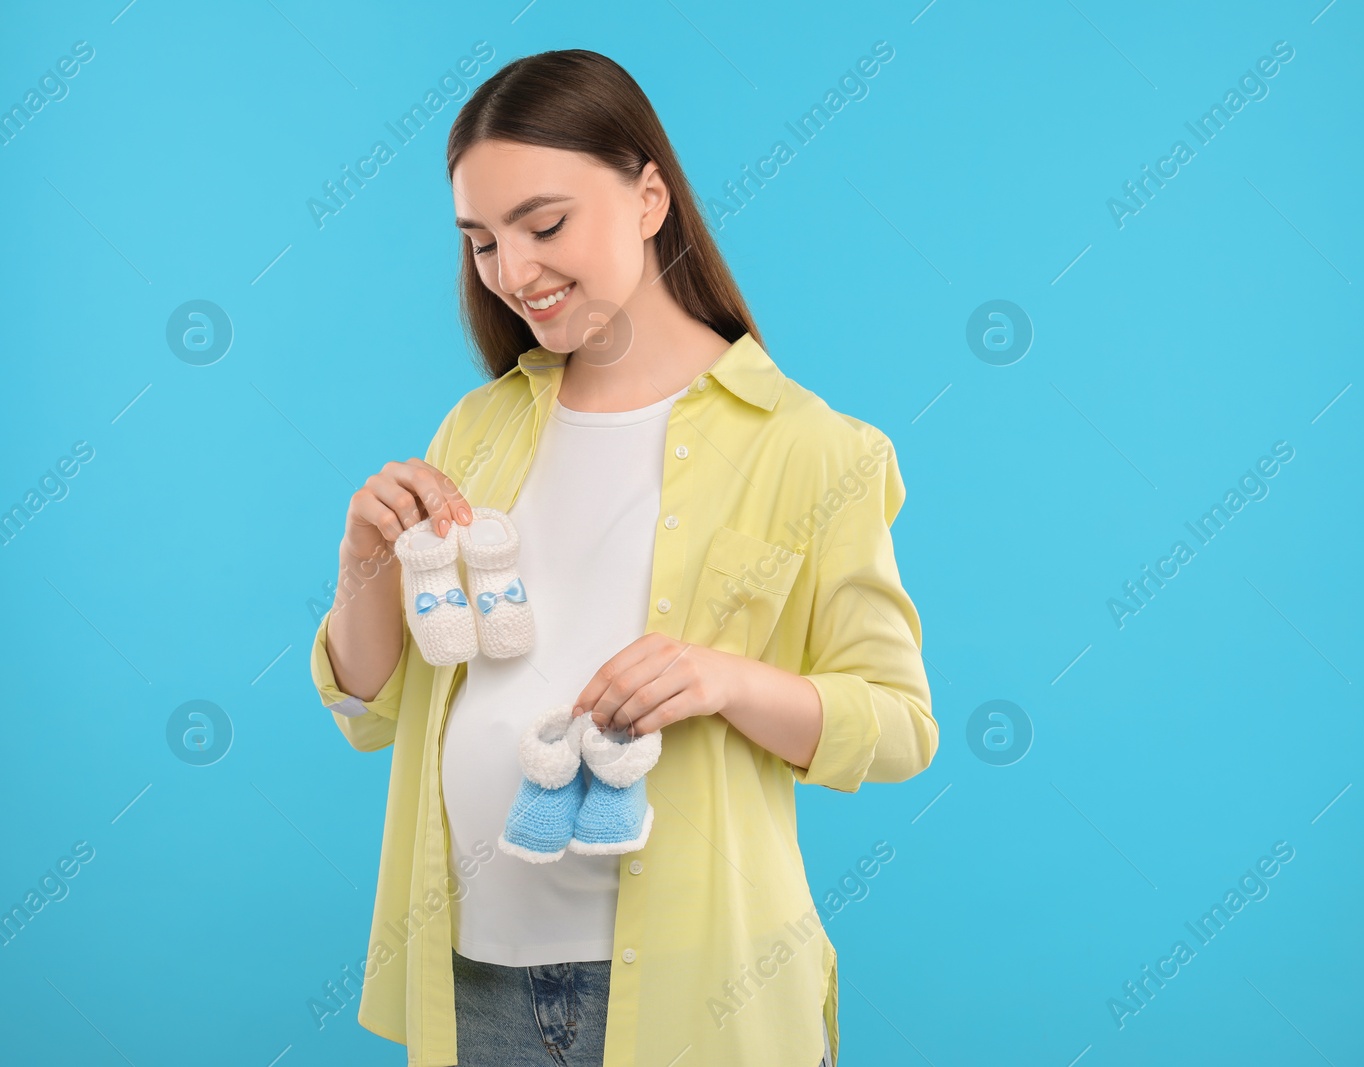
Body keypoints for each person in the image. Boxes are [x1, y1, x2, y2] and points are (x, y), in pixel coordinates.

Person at [308, 48, 936, 1067]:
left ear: (649, 196)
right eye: (481, 243)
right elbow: (369, 705)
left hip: (704, 999)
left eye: (545, 225)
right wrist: (362, 556)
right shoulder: (476, 426)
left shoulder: (815, 449)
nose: (514, 274)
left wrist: (723, 678)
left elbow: (900, 725)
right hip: (476, 987)